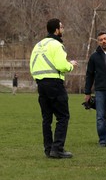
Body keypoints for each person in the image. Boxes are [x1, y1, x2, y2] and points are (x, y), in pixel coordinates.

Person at [29, 18, 78, 158]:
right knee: (63, 117)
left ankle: (48, 149)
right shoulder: (57, 45)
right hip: (55, 85)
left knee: (47, 119)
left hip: (41, 85)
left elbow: (32, 65)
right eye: (61, 27)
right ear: (56, 29)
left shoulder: (38, 45)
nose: (62, 29)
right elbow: (61, 65)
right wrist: (71, 65)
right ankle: (57, 149)